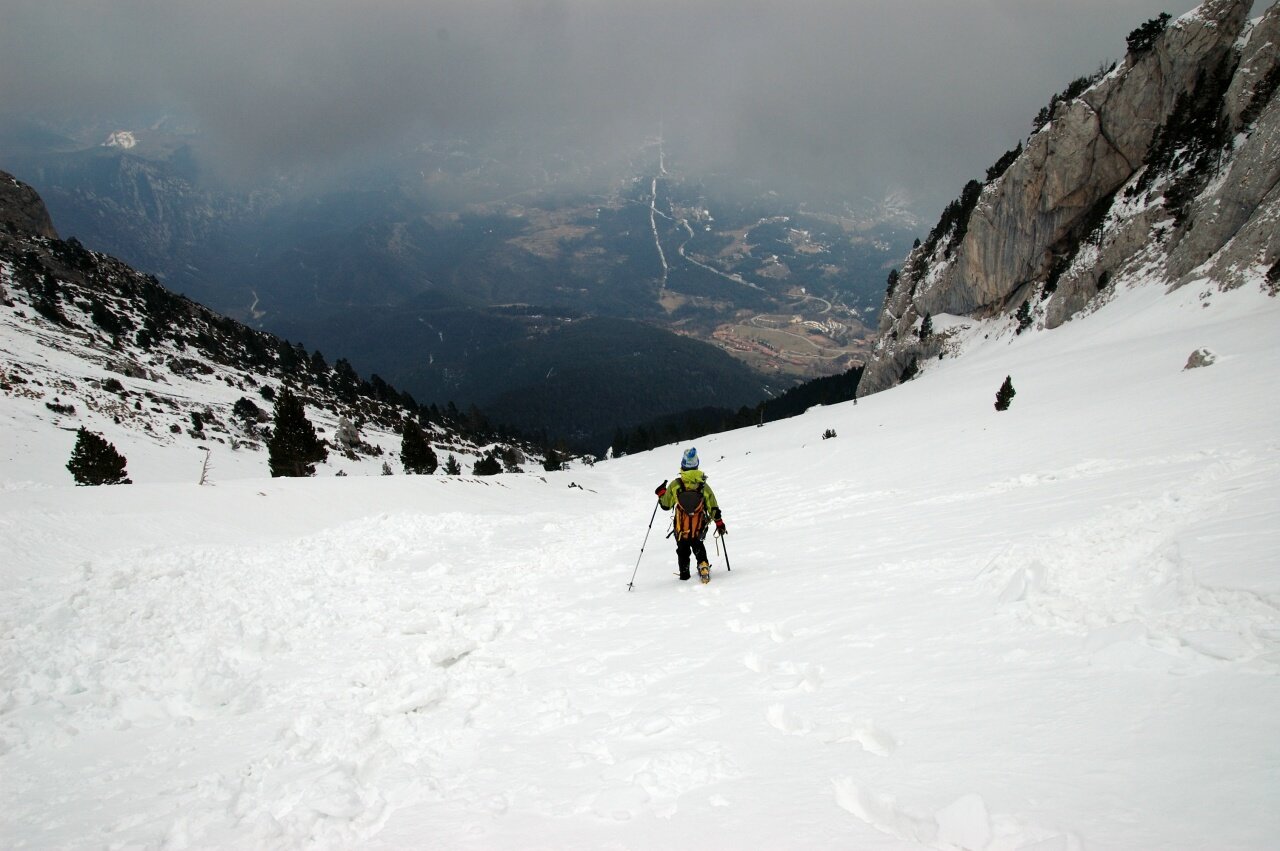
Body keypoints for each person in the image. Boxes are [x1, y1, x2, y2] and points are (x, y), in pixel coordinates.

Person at [655, 447, 727, 583]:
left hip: (681, 528)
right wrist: (719, 523)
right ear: (696, 464)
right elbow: (713, 507)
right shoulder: (703, 486)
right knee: (698, 546)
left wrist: (661, 493)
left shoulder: (676, 485)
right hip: (698, 527)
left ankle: (684, 574)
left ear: (683, 464)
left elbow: (666, 505)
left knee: (682, 551)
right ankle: (703, 565)